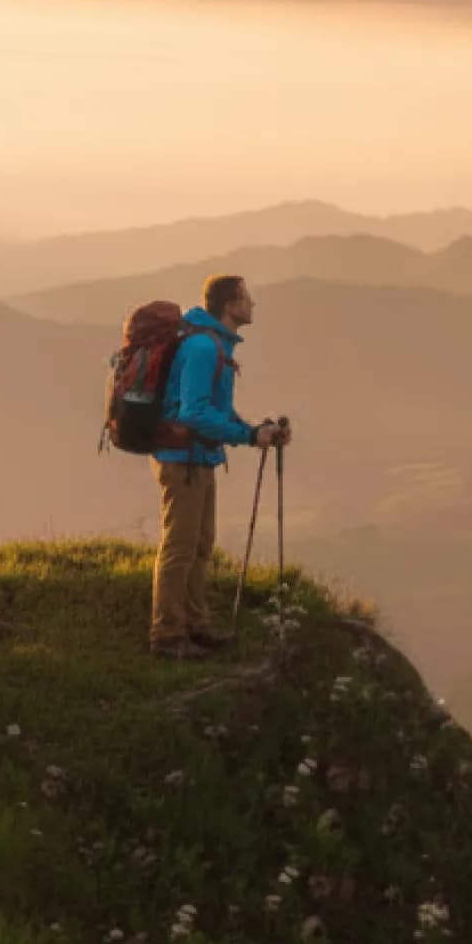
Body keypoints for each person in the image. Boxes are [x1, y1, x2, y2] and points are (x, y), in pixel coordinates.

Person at [149, 274, 290, 658]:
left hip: (198, 457)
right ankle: (167, 635)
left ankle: (195, 626)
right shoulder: (203, 348)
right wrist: (247, 436)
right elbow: (193, 413)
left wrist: (256, 431)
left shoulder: (215, 345)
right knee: (180, 548)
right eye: (246, 297)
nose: (252, 304)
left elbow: (216, 410)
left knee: (200, 545)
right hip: (183, 460)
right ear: (230, 304)